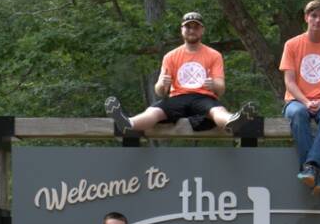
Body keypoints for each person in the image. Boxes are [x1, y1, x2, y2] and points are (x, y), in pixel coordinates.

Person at [106, 11, 255, 136]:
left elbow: (221, 89)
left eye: (195, 27)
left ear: (202, 30)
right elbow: (159, 90)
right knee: (155, 111)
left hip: (203, 97)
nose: (191, 30)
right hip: (178, 97)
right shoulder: (170, 56)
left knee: (217, 111)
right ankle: (128, 123)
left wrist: (213, 84)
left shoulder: (213, 55)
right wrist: (163, 84)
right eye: (188, 27)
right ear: (182, 30)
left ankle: (233, 122)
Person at [281, 0, 320, 192]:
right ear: (306, 17)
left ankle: (310, 168)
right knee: (298, 113)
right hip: (296, 100)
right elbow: (289, 81)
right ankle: (315, 170)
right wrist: (306, 101)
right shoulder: (292, 45)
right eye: (314, 16)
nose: (317, 20)